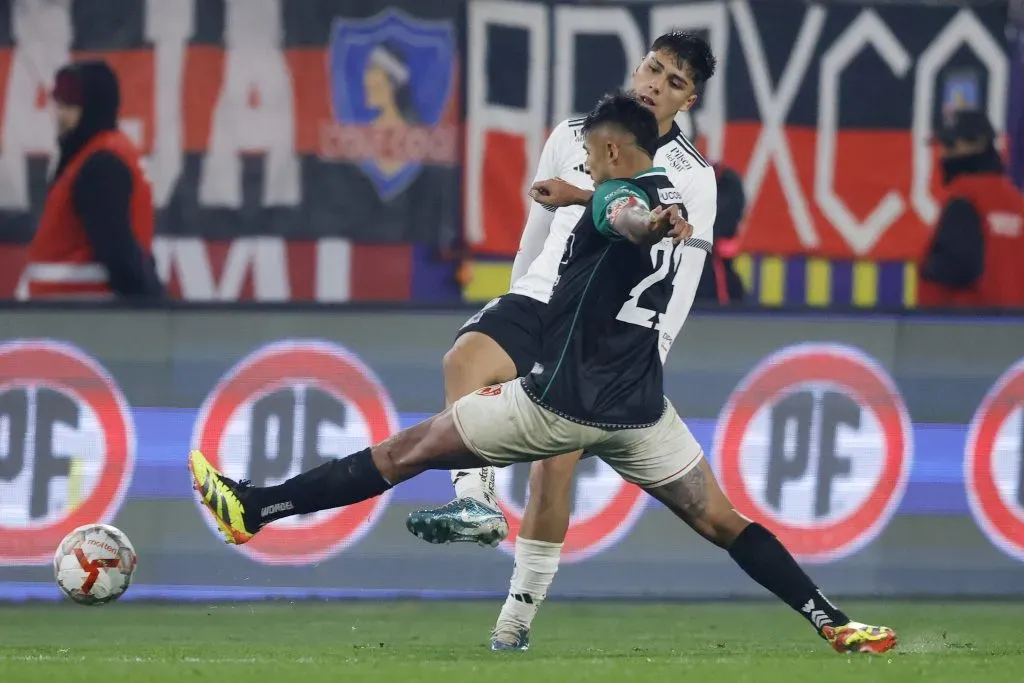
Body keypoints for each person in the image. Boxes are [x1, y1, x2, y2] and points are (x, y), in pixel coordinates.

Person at [188, 92, 897, 656]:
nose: (586, 163)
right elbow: (630, 208)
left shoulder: (620, 201)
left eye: (591, 152)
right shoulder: (667, 192)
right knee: (721, 519)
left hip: (557, 404)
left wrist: (628, 216)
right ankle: (831, 618)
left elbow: (622, 214)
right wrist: (619, 209)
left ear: (613, 148)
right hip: (642, 411)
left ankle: (257, 508)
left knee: (404, 452)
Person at [407, 30, 718, 649]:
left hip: (606, 329)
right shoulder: (571, 134)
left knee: (556, 468)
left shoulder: (692, 176)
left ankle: (514, 625)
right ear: (638, 66)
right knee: (465, 359)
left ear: (687, 102)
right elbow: (537, 230)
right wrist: (512, 295)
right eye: (653, 68)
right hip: (540, 297)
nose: (656, 83)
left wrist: (652, 353)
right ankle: (474, 501)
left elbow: (682, 277)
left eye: (674, 82)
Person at [20, 60, 164, 300]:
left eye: (70, 105)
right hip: (76, 315)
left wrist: (151, 309)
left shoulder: (101, 165)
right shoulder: (95, 156)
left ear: (94, 108)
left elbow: (119, 255)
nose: (59, 113)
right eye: (59, 102)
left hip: (82, 318)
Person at [917, 109, 1024, 308]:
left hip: (968, 331)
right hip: (1016, 332)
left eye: (950, 145)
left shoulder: (964, 200)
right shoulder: (1018, 203)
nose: (943, 154)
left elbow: (946, 275)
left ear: (978, 143)